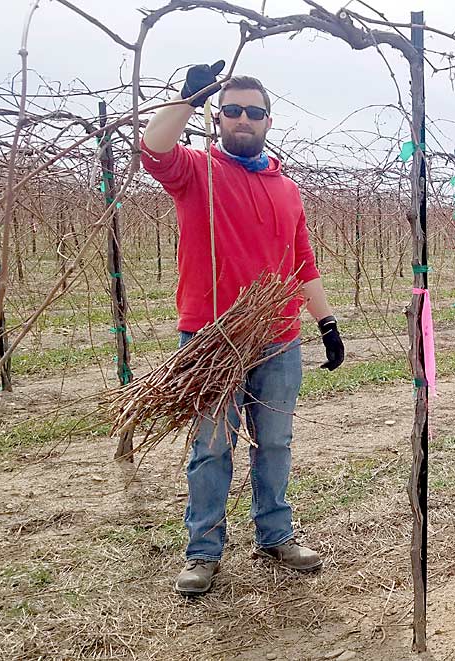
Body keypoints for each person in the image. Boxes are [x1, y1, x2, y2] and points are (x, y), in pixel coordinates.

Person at [141, 61, 345, 596]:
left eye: (253, 113)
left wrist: (325, 322)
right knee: (211, 446)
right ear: (218, 118)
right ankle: (203, 551)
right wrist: (187, 97)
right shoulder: (196, 170)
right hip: (210, 339)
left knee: (274, 442)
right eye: (231, 111)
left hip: (277, 339)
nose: (242, 120)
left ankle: (275, 535)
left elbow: (301, 259)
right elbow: (153, 149)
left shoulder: (286, 188)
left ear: (268, 122)